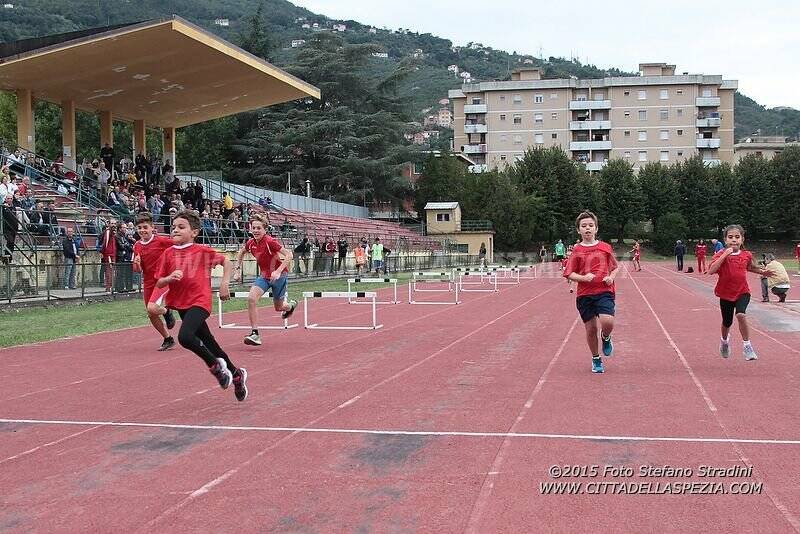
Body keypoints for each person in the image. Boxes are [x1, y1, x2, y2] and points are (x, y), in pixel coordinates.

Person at [147, 210, 248, 401]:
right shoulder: (168, 254)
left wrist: (224, 283)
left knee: (185, 337)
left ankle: (215, 367)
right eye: (174, 227)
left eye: (181, 227)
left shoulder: (202, 251)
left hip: (200, 302)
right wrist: (169, 277)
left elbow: (226, 261)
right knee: (211, 344)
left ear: (194, 232)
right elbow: (159, 282)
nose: (175, 230)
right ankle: (236, 374)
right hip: (182, 304)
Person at [707, 224, 773, 361]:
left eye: (737, 237)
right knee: (727, 322)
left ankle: (747, 346)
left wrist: (762, 271)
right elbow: (711, 270)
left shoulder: (746, 255)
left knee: (741, 315)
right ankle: (724, 342)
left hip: (742, 292)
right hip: (725, 294)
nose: (734, 240)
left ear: (742, 239)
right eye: (730, 237)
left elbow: (750, 267)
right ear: (725, 240)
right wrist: (725, 254)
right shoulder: (721, 254)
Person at [563, 211, 619, 374]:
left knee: (607, 322)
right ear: (578, 230)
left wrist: (610, 277)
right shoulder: (577, 250)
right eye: (584, 226)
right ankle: (596, 359)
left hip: (604, 290)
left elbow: (615, 267)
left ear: (596, 228)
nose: (587, 228)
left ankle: (606, 337)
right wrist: (584, 278)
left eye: (590, 225)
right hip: (585, 294)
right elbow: (569, 273)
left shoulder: (605, 247)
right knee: (591, 329)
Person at [234, 214, 297, 347]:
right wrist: (237, 270)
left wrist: (278, 271)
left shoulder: (269, 241)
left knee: (279, 307)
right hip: (263, 276)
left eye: (259, 228)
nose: (255, 230)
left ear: (265, 230)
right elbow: (240, 253)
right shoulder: (250, 243)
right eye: (253, 228)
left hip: (279, 277)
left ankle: (291, 305)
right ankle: (255, 334)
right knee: (251, 299)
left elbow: (289, 255)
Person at [132, 213, 177, 351]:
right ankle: (168, 338)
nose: (142, 230)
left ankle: (167, 312)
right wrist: (137, 264)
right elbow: (136, 270)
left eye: (145, 227)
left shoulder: (161, 241)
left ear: (152, 228)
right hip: (148, 282)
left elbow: (179, 245)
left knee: (153, 308)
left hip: (162, 280)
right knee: (151, 313)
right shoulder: (137, 245)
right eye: (139, 227)